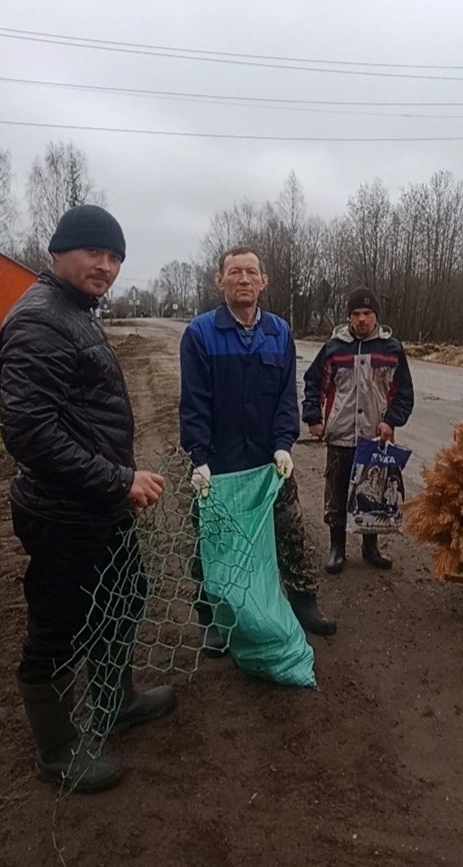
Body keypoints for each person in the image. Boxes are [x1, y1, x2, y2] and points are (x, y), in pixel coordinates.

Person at [0, 205, 175, 793]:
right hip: (63, 512)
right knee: (60, 627)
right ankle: (56, 752)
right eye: (94, 252)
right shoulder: (39, 321)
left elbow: (78, 416)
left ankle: (114, 702)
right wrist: (118, 479)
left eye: (116, 256)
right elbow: (31, 433)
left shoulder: (74, 311)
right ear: (59, 252)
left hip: (100, 505)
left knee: (124, 598)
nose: (106, 265)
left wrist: (116, 482)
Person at [179, 246, 336, 637]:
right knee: (213, 538)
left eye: (251, 272)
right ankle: (212, 617)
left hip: (269, 460)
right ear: (220, 281)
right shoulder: (200, 334)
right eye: (235, 272)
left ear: (264, 282)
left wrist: (284, 443)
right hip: (218, 462)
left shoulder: (279, 333)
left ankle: (303, 602)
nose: (244, 279)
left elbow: (287, 397)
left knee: (290, 531)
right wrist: (199, 459)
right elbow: (194, 402)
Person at [302, 286, 414, 573]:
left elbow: (404, 393)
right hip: (339, 435)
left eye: (367, 313)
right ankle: (337, 548)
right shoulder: (333, 348)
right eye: (355, 314)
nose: (361, 319)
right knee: (336, 494)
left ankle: (370, 547)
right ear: (349, 317)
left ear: (376, 315)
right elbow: (313, 382)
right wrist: (314, 418)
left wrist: (390, 421)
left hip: (375, 439)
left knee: (372, 494)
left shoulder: (392, 349)